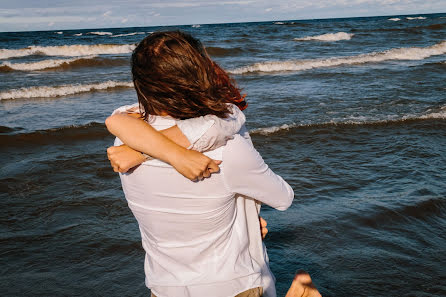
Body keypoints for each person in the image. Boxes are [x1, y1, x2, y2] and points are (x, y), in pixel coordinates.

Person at [106, 31, 321, 297]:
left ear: (140, 82)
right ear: (199, 75)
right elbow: (283, 197)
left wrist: (149, 152)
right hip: (231, 285)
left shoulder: (123, 143)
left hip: (165, 286)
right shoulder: (227, 147)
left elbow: (118, 118)